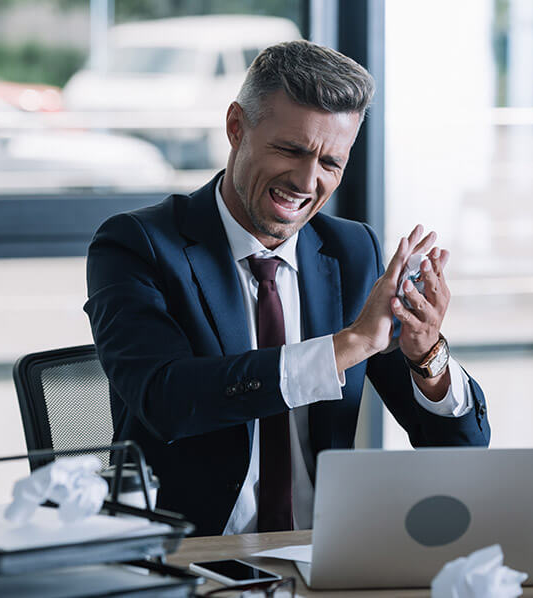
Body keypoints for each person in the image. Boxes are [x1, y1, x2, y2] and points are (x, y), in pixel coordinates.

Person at [84, 40, 490, 537]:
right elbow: (167, 401)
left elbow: (459, 453)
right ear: (236, 127)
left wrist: (427, 356)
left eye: (330, 163)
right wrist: (351, 344)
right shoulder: (138, 245)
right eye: (290, 150)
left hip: (325, 556)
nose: (306, 180)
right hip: (189, 560)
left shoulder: (349, 251)